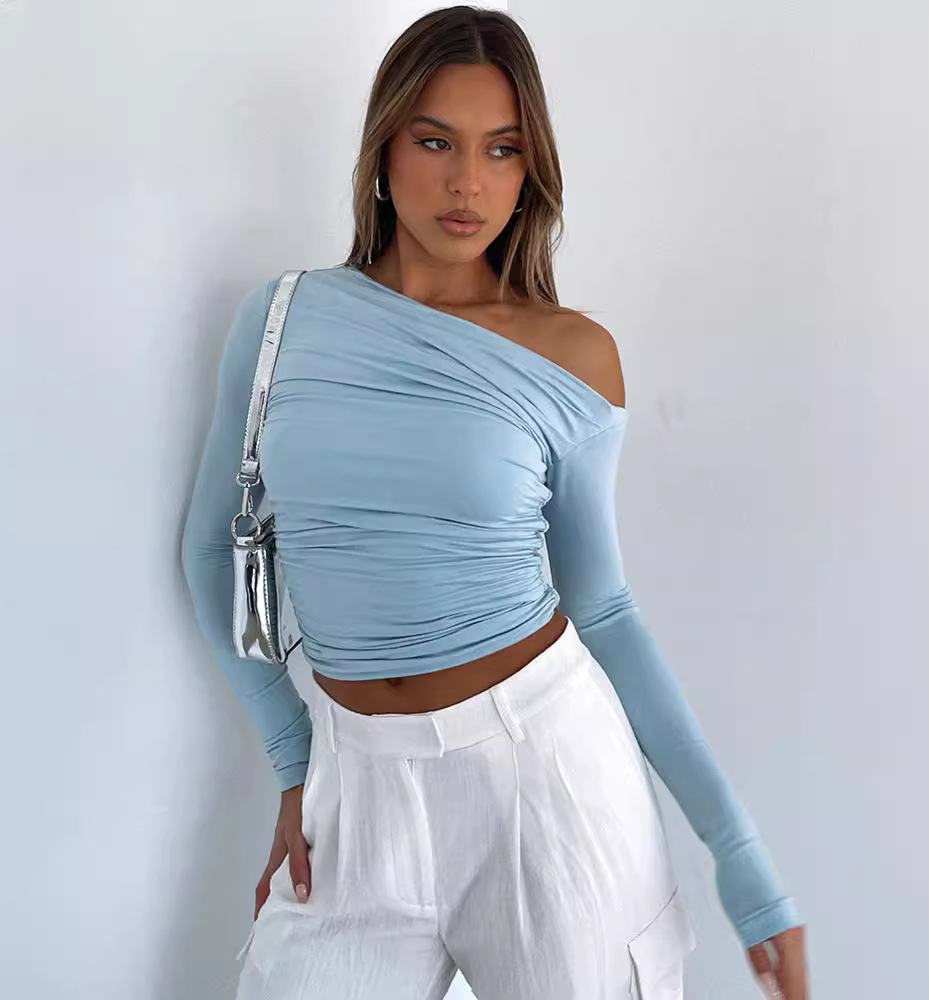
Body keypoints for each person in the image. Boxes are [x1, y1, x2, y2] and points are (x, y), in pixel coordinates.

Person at [181, 7, 808, 999]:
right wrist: (295, 762)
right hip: (353, 784)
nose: (467, 182)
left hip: (543, 777)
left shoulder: (571, 354)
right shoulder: (282, 321)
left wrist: (742, 858)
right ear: (383, 150)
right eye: (435, 141)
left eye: (501, 149)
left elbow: (604, 609)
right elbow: (211, 551)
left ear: (530, 170)